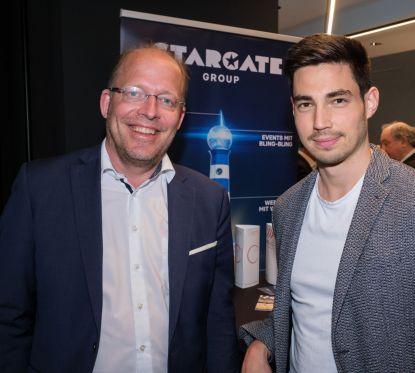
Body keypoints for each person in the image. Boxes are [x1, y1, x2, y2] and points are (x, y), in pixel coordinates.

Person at [239, 33, 415, 372]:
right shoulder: (288, 208)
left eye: (338, 100)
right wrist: (261, 343)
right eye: (305, 103)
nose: (320, 121)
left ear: (369, 102)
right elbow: (306, 307)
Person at [0, 44, 239, 372]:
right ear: (106, 102)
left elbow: (219, 322)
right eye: (135, 92)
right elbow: (9, 315)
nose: (151, 111)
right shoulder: (39, 189)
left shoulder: (209, 200)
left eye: (166, 99)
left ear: (180, 117)